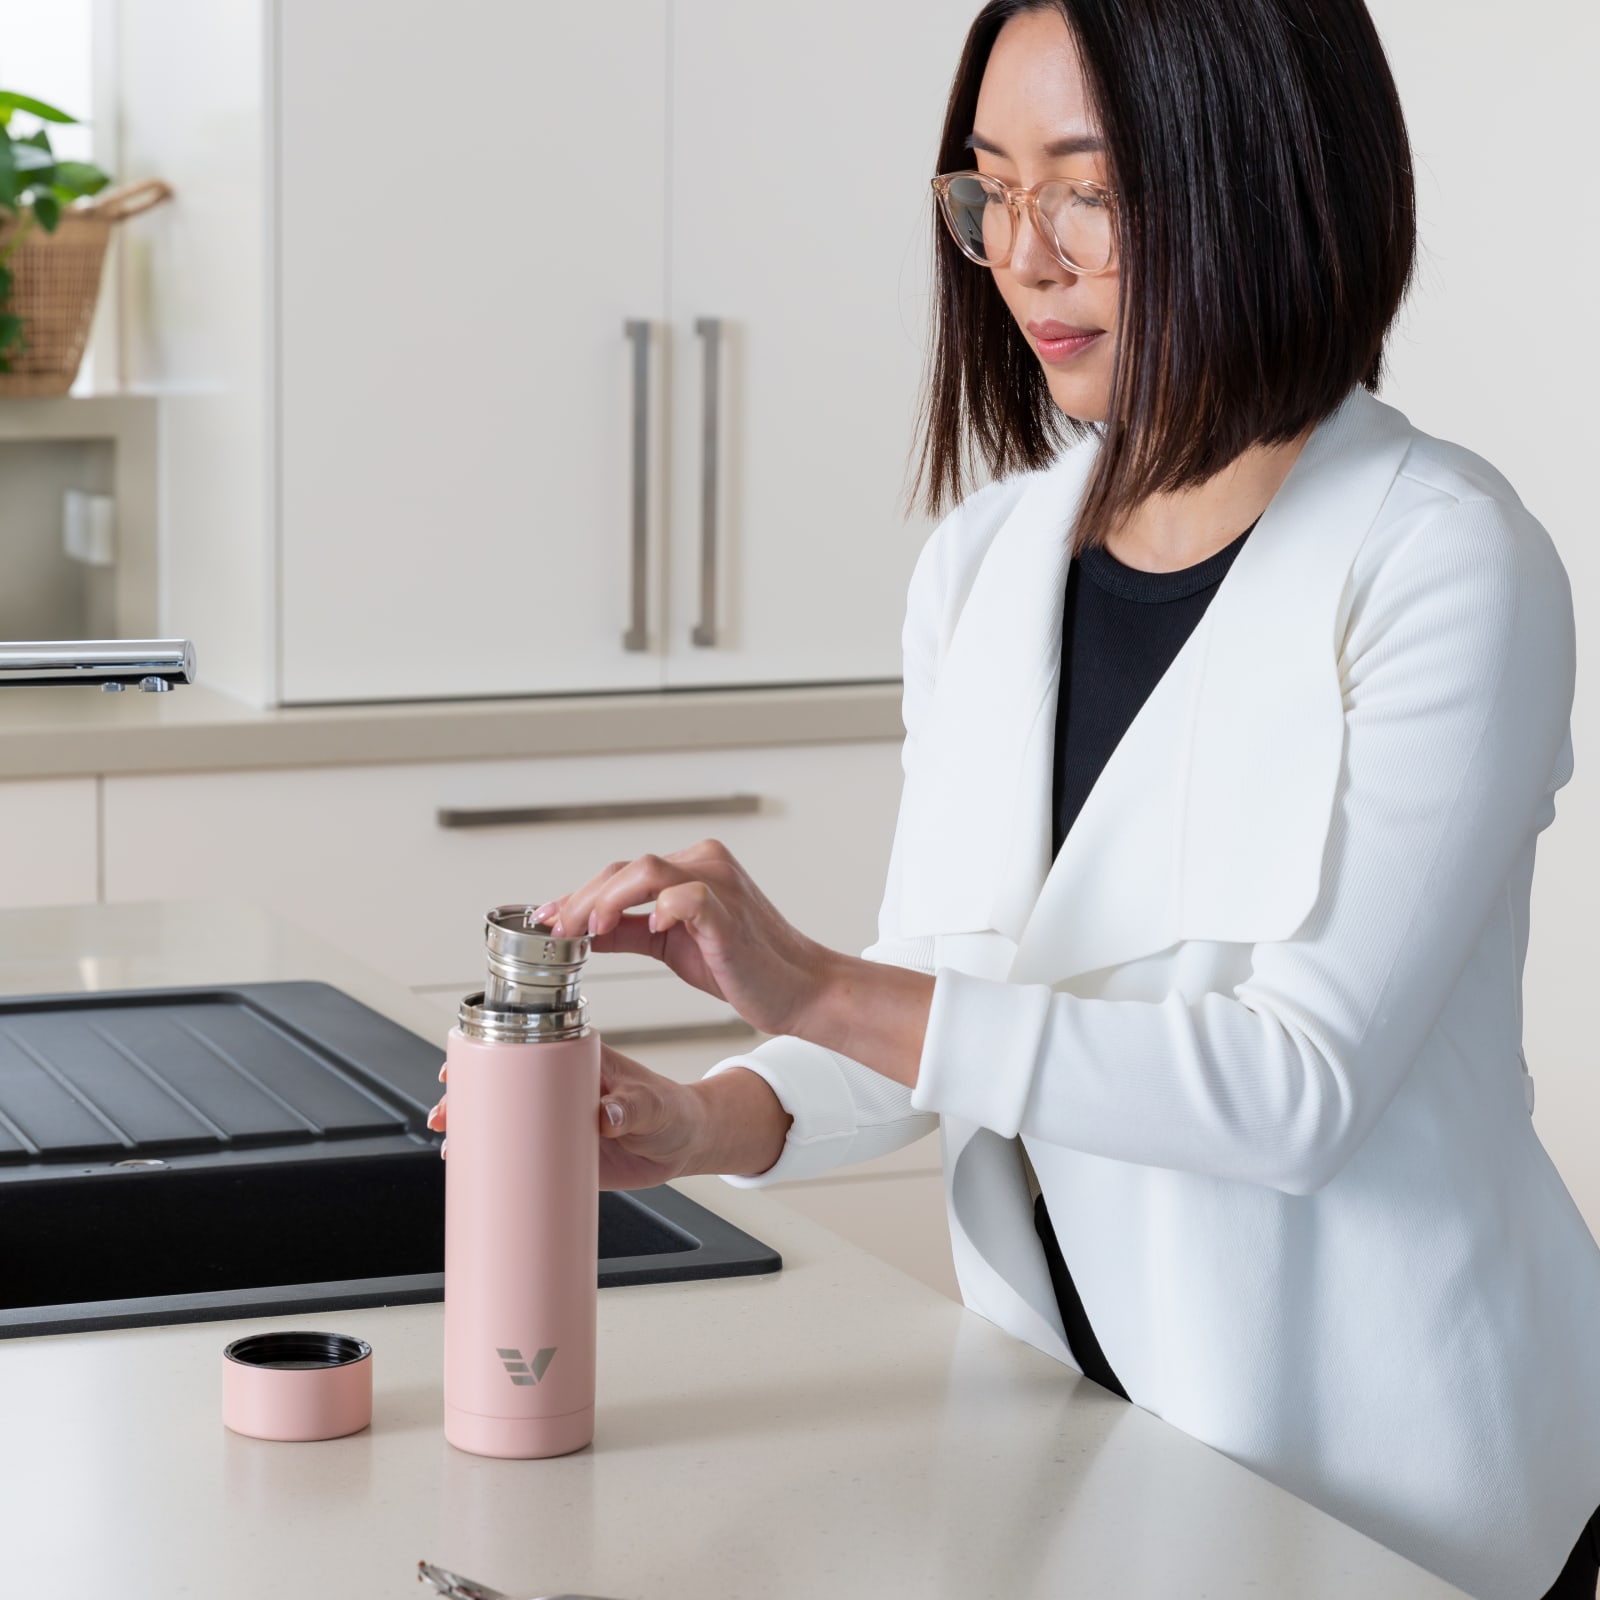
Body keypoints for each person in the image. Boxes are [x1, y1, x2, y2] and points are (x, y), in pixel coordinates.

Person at [429, 3, 1600, 1595]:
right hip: (1087, 1464)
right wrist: (710, 1118)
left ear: (1266, 180)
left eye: (1087, 186)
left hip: (1391, 1502)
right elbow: (959, 1014)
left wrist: (823, 982)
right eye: (986, 188)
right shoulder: (988, 563)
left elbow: (1292, 1092)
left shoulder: (1442, 561)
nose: (1022, 253)